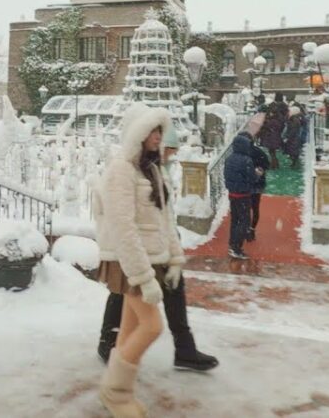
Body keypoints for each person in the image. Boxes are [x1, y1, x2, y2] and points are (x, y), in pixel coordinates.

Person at [97, 127, 219, 373]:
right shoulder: (125, 169)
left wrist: (173, 252)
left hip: (156, 247)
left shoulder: (155, 168)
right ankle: (110, 347)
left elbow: (163, 214)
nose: (169, 153)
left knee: (171, 289)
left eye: (169, 147)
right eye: (167, 148)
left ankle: (181, 348)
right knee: (128, 300)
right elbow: (121, 217)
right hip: (132, 249)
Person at [93, 103, 186, 416]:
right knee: (151, 326)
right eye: (152, 131)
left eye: (161, 130)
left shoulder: (152, 169)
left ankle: (118, 392)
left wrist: (175, 259)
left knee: (131, 328)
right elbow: (123, 226)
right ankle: (115, 393)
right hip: (129, 263)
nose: (159, 137)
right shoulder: (122, 170)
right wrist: (144, 278)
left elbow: (165, 220)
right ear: (137, 134)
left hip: (148, 260)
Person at [224, 129, 263, 260]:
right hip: (243, 195)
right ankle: (236, 247)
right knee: (244, 222)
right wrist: (258, 173)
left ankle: (232, 243)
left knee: (235, 220)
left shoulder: (229, 159)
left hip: (232, 194)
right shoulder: (246, 160)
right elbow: (252, 178)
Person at [257, 92, 289, 169]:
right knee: (272, 152)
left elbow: (266, 126)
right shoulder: (283, 111)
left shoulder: (272, 119)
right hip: (276, 135)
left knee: (272, 152)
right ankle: (275, 164)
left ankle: (274, 164)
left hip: (271, 137)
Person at [284, 105, 307, 169]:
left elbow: (292, 130)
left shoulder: (294, 120)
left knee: (293, 151)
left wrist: (288, 137)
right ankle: (294, 162)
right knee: (294, 151)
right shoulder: (296, 119)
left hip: (293, 138)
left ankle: (294, 163)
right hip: (295, 138)